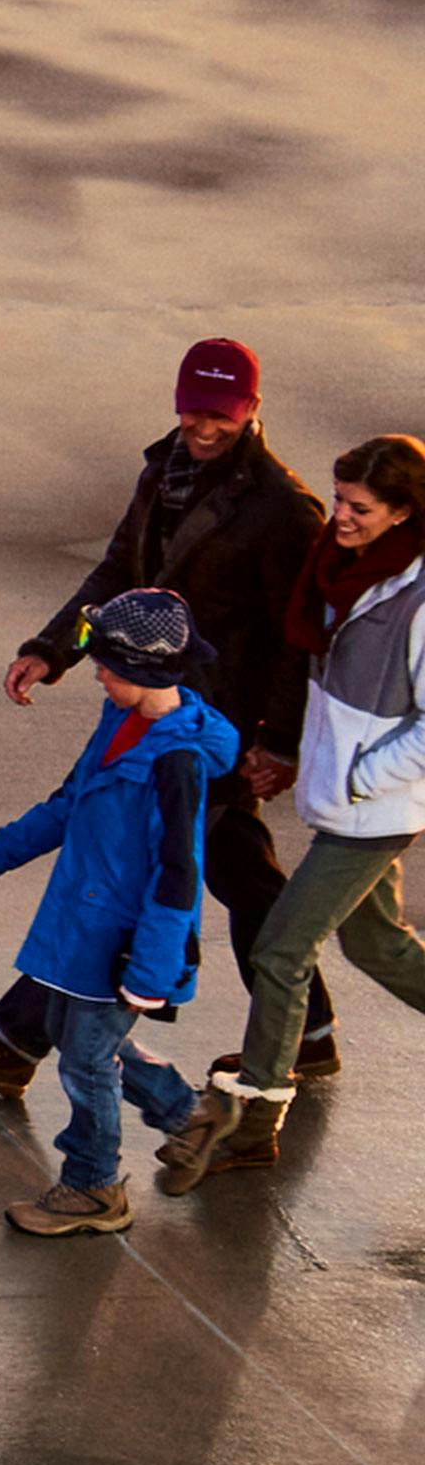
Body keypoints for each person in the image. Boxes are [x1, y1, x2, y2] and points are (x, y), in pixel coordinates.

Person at [0, 339, 328, 1095]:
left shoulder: (283, 510)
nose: (202, 428)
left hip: (209, 725)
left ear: (251, 410)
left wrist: (279, 741)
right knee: (234, 868)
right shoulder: (162, 473)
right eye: (192, 411)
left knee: (124, 855)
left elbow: (299, 638)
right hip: (151, 700)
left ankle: (18, 1041)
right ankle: (307, 1030)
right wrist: (53, 649)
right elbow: (117, 575)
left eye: (220, 415)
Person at [158, 435, 425, 1192]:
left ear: (404, 513)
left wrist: (359, 777)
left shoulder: (417, 600)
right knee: (378, 947)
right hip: (343, 795)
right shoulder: (341, 568)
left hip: (376, 810)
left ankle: (256, 1116)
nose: (340, 516)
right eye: (339, 499)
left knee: (280, 951)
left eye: (360, 507)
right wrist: (299, 754)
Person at [0, 589, 232, 1235]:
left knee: (86, 1060)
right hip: (83, 926)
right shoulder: (121, 719)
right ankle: (189, 1116)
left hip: (124, 944)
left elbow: (179, 873)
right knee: (76, 1040)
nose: (97, 676)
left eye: (108, 667)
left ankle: (94, 1187)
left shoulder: (176, 763)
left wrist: (150, 973)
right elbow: (70, 802)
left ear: (145, 671)